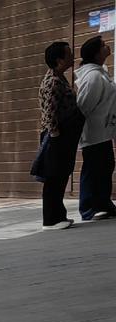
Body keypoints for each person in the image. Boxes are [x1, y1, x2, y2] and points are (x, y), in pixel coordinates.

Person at [35, 41, 85, 228]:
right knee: (54, 178)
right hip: (58, 137)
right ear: (59, 60)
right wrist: (56, 137)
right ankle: (51, 219)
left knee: (61, 176)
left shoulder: (59, 77)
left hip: (64, 136)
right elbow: (49, 113)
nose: (72, 57)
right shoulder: (53, 82)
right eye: (69, 54)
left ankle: (58, 215)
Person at [75, 34, 116, 219]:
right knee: (93, 169)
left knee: (105, 166)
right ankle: (88, 207)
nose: (107, 47)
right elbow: (84, 106)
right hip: (94, 133)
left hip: (103, 131)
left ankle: (103, 203)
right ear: (97, 53)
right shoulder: (93, 77)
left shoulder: (99, 73)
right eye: (103, 46)